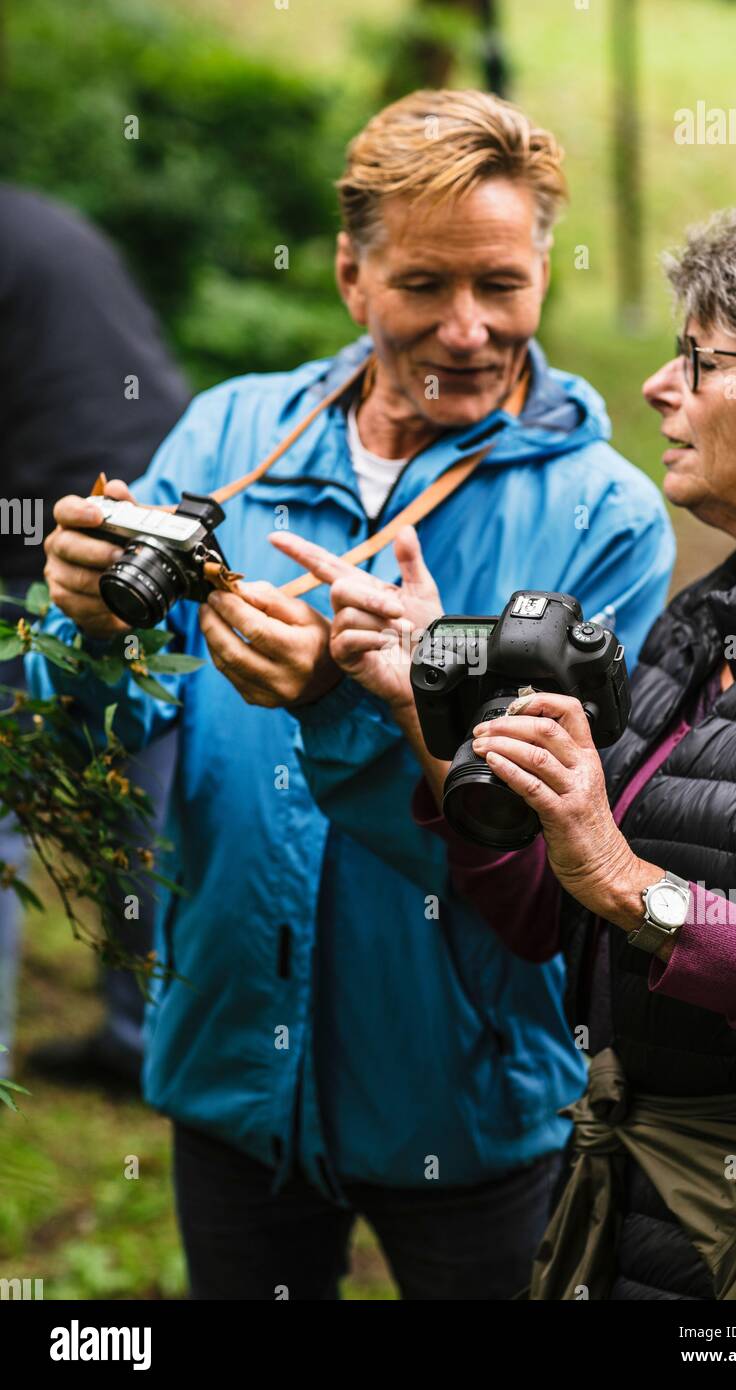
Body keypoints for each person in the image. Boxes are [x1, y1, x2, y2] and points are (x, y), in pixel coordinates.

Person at [27, 89, 674, 1300]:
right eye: (424, 284)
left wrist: (346, 702)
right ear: (347, 273)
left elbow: (547, 850)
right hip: (230, 1059)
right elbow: (93, 734)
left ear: (542, 272)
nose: (468, 328)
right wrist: (83, 629)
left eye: (501, 283)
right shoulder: (227, 436)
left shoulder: (605, 517)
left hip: (464, 1088)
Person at [303, 209, 736, 1300]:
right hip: (637, 1204)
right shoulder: (700, 626)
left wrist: (625, 879)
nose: (656, 388)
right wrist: (427, 707)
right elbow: (547, 923)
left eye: (700, 362)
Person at [0, 184, 188, 1087]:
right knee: (136, 788)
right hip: (161, 507)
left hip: (55, 534)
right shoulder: (48, 220)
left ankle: (140, 1041)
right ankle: (142, 1036)